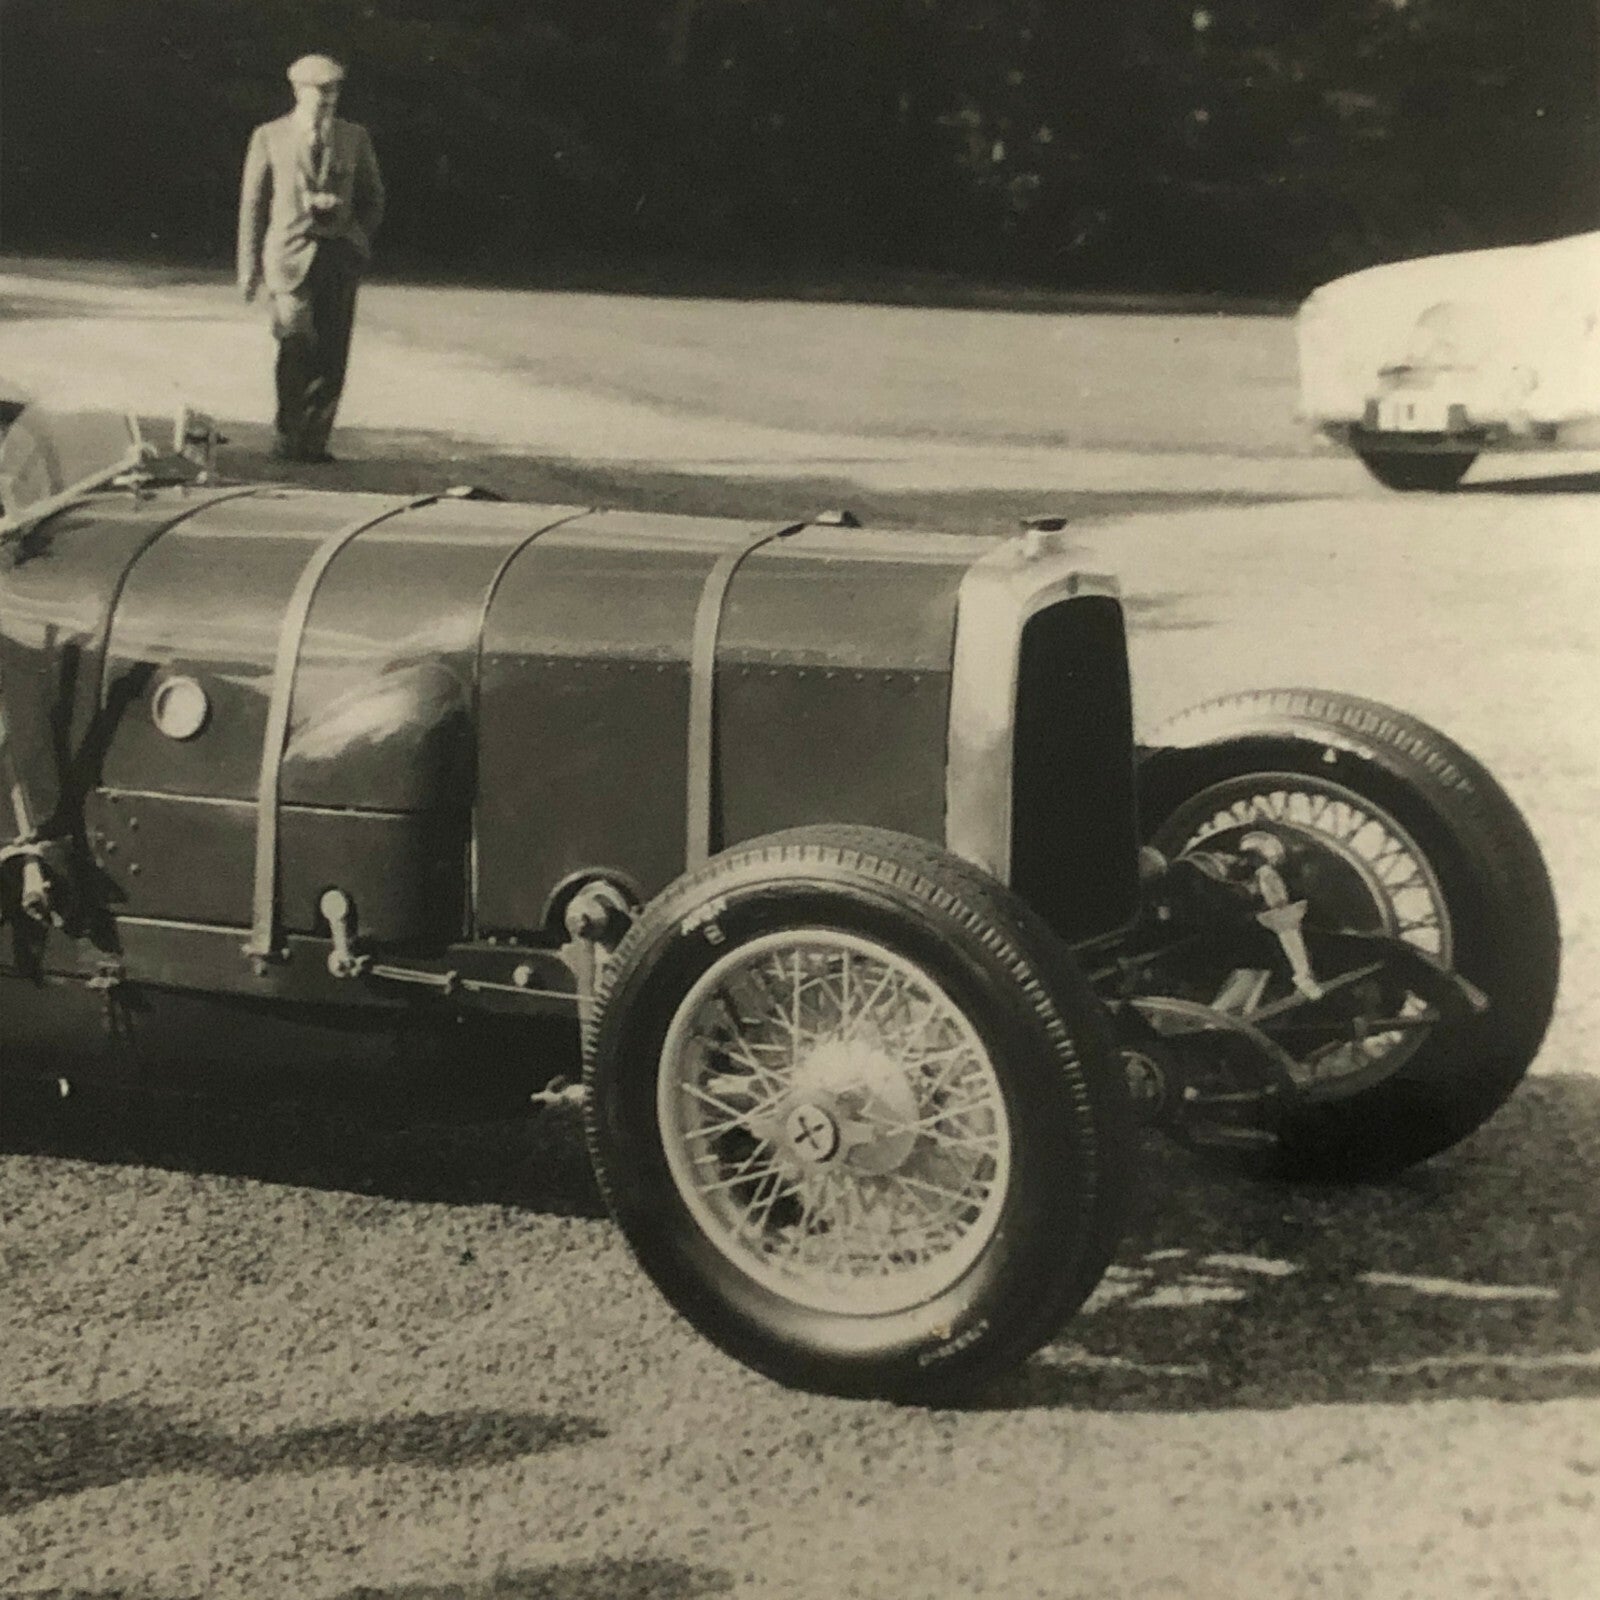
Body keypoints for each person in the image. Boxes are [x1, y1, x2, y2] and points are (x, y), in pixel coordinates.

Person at [237, 53, 385, 463]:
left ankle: (315, 443)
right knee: (295, 343)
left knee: (332, 354)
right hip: (288, 260)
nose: (327, 98)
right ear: (297, 90)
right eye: (319, 90)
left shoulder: (355, 137)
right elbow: (253, 205)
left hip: (339, 259)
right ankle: (287, 436)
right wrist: (248, 268)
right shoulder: (269, 135)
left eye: (333, 90)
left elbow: (375, 199)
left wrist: (355, 234)